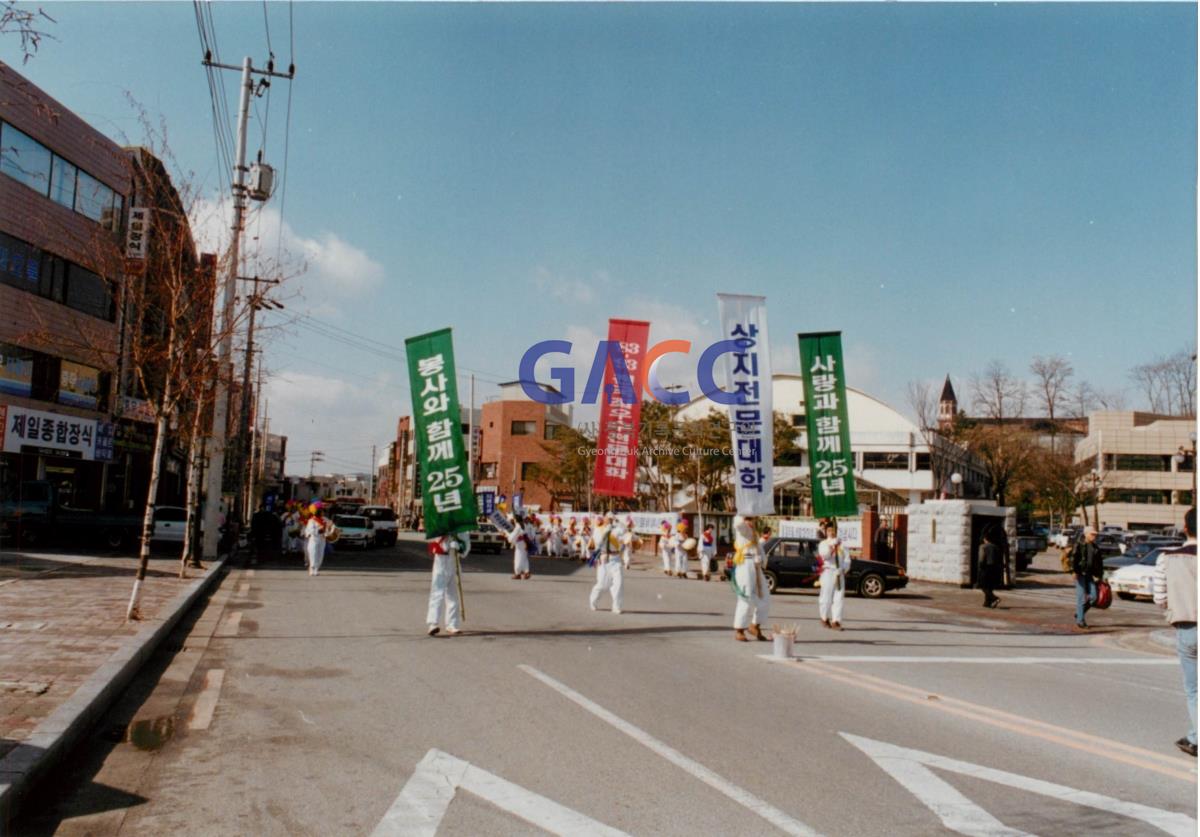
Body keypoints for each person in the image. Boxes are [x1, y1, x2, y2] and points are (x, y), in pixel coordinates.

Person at [1153, 507, 1197, 757]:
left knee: (1194, 689)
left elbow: (1159, 597)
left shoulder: (1167, 558)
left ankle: (1196, 737)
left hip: (1187, 626)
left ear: (1186, 528)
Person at [731, 515, 770, 642]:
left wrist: (762, 560)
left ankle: (755, 625)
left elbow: (758, 547)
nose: (752, 521)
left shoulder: (754, 531)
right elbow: (738, 523)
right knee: (745, 597)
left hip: (756, 565)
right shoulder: (742, 528)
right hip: (745, 563)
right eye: (750, 519)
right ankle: (740, 629)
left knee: (765, 597)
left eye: (753, 519)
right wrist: (744, 515)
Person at [426, 532, 469, 636]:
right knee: (437, 594)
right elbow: (432, 538)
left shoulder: (462, 530)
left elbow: (466, 549)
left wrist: (459, 547)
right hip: (440, 563)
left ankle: (452, 624)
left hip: (454, 564)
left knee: (453, 595)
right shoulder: (439, 526)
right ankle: (433, 623)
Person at [818, 519, 851, 630]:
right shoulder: (823, 544)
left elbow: (847, 559)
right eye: (829, 530)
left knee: (839, 598)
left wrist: (843, 569)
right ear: (826, 531)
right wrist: (832, 546)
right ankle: (824, 617)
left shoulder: (842, 545)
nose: (831, 532)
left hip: (838, 573)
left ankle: (836, 621)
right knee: (826, 597)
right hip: (828, 572)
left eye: (833, 530)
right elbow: (825, 556)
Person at [589, 514, 624, 613]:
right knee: (602, 585)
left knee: (619, 583)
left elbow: (625, 532)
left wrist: (617, 520)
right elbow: (599, 543)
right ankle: (593, 601)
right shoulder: (598, 530)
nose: (609, 519)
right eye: (607, 517)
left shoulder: (616, 529)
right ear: (603, 518)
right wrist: (607, 529)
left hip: (616, 559)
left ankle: (616, 606)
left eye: (610, 517)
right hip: (604, 559)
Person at [1072, 526, 1104, 629]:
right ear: (1086, 534)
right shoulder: (1079, 545)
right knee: (1081, 598)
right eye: (1092, 534)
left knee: (1094, 597)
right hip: (1080, 574)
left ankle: (1079, 613)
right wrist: (1074, 571)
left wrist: (1100, 575)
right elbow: (1074, 558)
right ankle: (1080, 621)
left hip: (1089, 574)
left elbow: (1099, 563)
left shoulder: (1095, 547)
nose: (1094, 536)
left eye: (1095, 534)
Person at [302, 503, 330, 576]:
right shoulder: (312, 520)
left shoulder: (325, 519)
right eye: (321, 511)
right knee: (313, 554)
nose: (323, 512)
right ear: (317, 511)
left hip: (322, 540)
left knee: (320, 555)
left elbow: (329, 528)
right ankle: (312, 568)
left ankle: (316, 569)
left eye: (323, 511)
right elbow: (310, 530)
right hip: (314, 539)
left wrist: (329, 532)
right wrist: (319, 530)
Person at [977, 527, 1002, 609]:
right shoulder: (996, 547)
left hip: (986, 568)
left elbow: (981, 558)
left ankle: (995, 598)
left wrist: (980, 567)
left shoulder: (983, 547)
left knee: (983, 585)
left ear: (985, 539)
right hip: (995, 568)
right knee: (989, 586)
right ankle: (987, 602)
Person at [506, 514, 531, 579]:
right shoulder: (524, 525)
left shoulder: (518, 526)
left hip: (520, 544)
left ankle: (518, 573)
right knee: (524, 558)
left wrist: (508, 537)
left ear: (516, 519)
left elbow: (513, 536)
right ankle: (526, 572)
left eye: (514, 519)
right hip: (525, 543)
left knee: (518, 558)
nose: (513, 520)